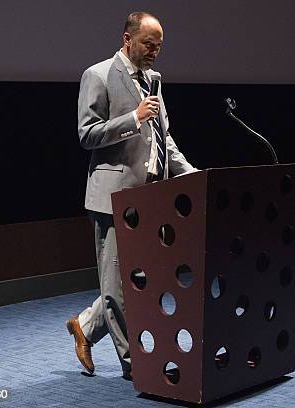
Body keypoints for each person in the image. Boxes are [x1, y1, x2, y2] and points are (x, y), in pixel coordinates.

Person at [66, 11, 197, 381]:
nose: (155, 51)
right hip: (112, 198)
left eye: (159, 46)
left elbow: (163, 139)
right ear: (127, 39)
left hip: (149, 199)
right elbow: (87, 134)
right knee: (117, 286)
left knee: (138, 279)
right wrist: (133, 118)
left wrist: (192, 173)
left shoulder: (154, 80)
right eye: (148, 44)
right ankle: (133, 362)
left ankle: (86, 326)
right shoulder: (99, 74)